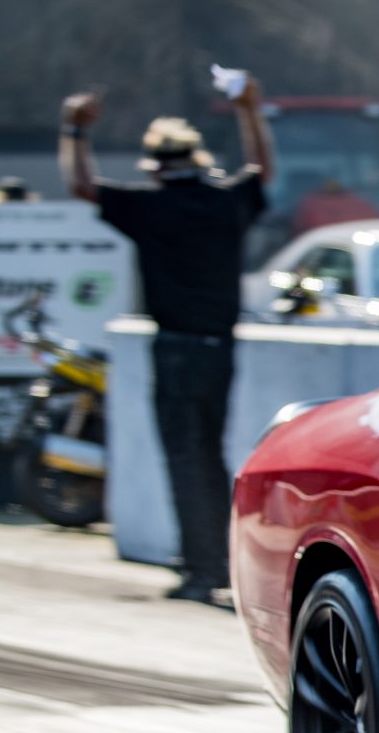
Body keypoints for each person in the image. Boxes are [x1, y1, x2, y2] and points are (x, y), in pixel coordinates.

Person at [59, 77, 275, 604]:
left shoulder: (150, 207)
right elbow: (262, 172)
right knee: (211, 454)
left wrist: (74, 130)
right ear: (199, 160)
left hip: (175, 346)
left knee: (183, 455)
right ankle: (223, 563)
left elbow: (83, 186)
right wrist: (249, 111)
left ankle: (201, 570)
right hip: (220, 348)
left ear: (154, 166)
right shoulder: (227, 203)